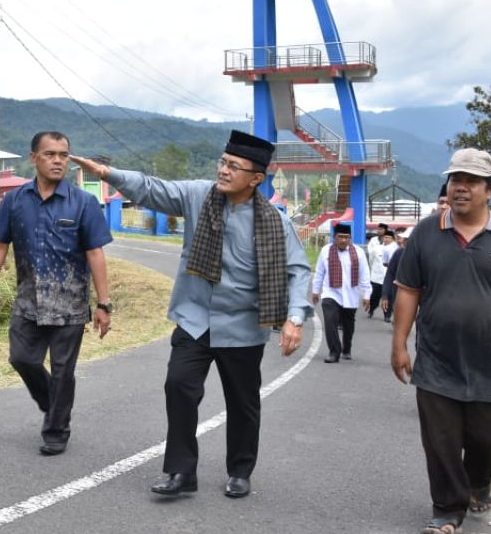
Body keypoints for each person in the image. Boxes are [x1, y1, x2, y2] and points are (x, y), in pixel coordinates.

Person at [70, 131, 312, 499]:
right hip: (196, 317)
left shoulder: (274, 223)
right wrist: (109, 174)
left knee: (242, 403)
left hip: (244, 326)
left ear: (256, 178)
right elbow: (153, 189)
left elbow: (297, 270)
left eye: (234, 166)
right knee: (179, 386)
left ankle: (240, 470)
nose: (224, 171)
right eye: (223, 162)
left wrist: (294, 318)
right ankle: (181, 471)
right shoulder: (199, 196)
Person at [390, 148, 491, 534]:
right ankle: (446, 510)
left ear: (490, 189)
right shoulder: (426, 232)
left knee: (490, 443)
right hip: (437, 362)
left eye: (472, 181)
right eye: (456, 179)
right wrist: (400, 344)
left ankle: (479, 482)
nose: (461, 188)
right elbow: (408, 292)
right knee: (440, 443)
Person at [0, 131, 113, 456]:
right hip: (28, 302)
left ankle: (56, 429)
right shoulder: (14, 201)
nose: (58, 160)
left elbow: (95, 253)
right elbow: (0, 245)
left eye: (63, 155)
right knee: (21, 359)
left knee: (63, 369)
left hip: (69, 305)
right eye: (50, 154)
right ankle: (53, 403)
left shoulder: (82, 202)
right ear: (34, 158)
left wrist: (104, 303)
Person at [311, 223, 371, 363]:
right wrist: (315, 290)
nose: (343, 240)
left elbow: (365, 275)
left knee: (348, 325)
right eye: (340, 237)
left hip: (351, 294)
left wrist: (367, 295)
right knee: (330, 321)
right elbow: (319, 272)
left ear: (350, 238)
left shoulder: (359, 253)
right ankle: (334, 351)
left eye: (346, 237)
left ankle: (346, 348)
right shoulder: (326, 251)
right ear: (334, 237)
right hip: (330, 293)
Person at [380, 228, 408, 322]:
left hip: (417, 292)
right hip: (398, 289)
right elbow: (390, 274)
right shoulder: (398, 253)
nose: (404, 241)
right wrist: (385, 295)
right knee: (399, 318)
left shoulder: (422, 254)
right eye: (405, 239)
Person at [367, 225, 391, 319]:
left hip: (388, 278)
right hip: (376, 276)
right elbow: (371, 260)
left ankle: (387, 315)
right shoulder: (376, 248)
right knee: (375, 296)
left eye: (389, 238)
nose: (386, 239)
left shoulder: (394, 249)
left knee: (388, 297)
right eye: (385, 238)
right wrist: (373, 270)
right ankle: (371, 309)